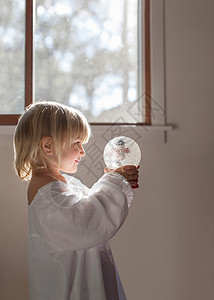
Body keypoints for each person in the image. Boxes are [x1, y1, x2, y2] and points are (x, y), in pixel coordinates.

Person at [13, 101, 139, 300]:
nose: (83, 151)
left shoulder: (58, 188)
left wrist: (112, 180)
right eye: (77, 143)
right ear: (48, 146)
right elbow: (87, 223)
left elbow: (86, 206)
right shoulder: (49, 199)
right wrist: (114, 182)